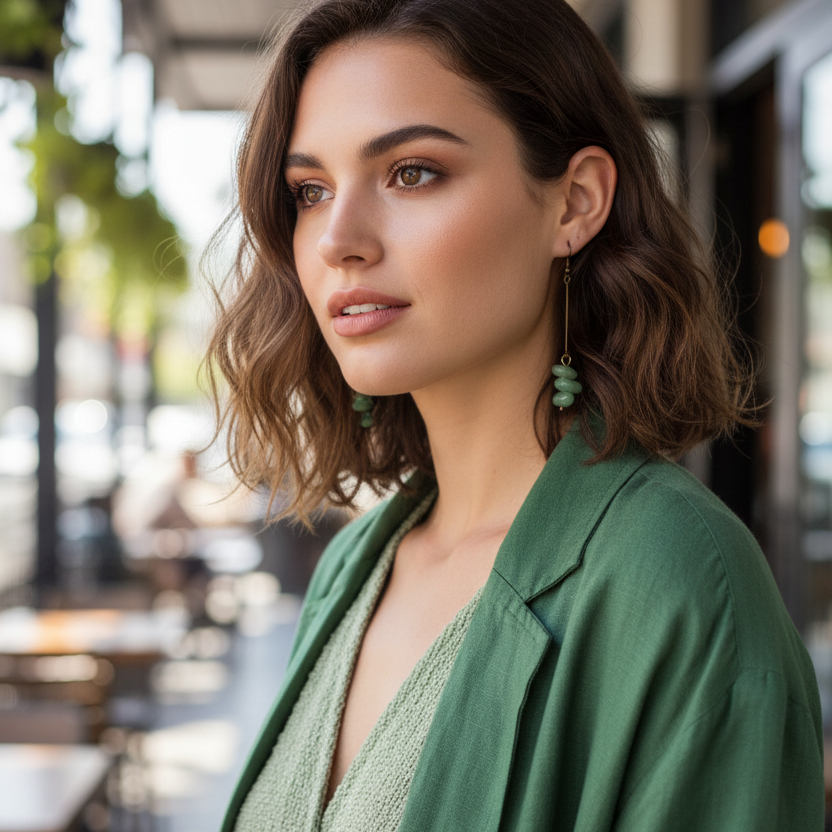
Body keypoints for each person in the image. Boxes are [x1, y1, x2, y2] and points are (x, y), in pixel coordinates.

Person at [208, 0, 825, 829]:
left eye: (411, 172)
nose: (336, 239)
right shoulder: (353, 564)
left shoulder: (680, 583)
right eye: (310, 190)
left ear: (574, 203)